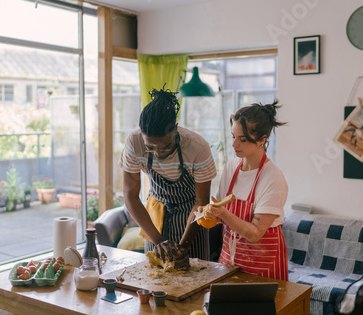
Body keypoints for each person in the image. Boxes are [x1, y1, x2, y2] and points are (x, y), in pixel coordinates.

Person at [120, 87, 216, 266]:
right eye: (150, 147)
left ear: (176, 131)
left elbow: (201, 201)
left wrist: (184, 246)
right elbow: (130, 197)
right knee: (155, 277)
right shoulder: (134, 143)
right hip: (156, 214)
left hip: (191, 216)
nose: (157, 154)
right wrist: (158, 240)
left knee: (193, 276)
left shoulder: (197, 147)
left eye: (164, 147)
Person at [202, 100, 288, 280]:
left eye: (242, 139)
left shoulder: (273, 179)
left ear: (262, 140)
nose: (234, 144)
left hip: (262, 267)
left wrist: (222, 213)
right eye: (233, 136)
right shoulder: (231, 167)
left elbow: (255, 233)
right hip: (228, 260)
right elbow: (220, 213)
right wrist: (209, 214)